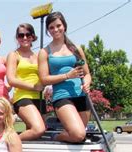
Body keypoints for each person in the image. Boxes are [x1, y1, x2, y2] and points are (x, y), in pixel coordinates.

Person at [38, 11, 92, 143]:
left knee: (80, 135)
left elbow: (87, 74)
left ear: (64, 26)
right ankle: (56, 137)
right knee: (79, 134)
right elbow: (44, 79)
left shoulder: (76, 48)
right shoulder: (44, 52)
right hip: (62, 96)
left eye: (58, 25)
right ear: (48, 31)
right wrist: (68, 75)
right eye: (51, 27)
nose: (55, 29)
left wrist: (87, 83)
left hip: (81, 95)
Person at [6, 23, 46, 140]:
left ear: (33, 36)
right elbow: (11, 80)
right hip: (22, 97)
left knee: (34, 135)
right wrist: (34, 87)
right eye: (21, 35)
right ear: (17, 38)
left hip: (40, 97)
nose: (24, 38)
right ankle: (7, 143)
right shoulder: (14, 55)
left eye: (28, 35)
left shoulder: (39, 55)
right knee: (38, 129)